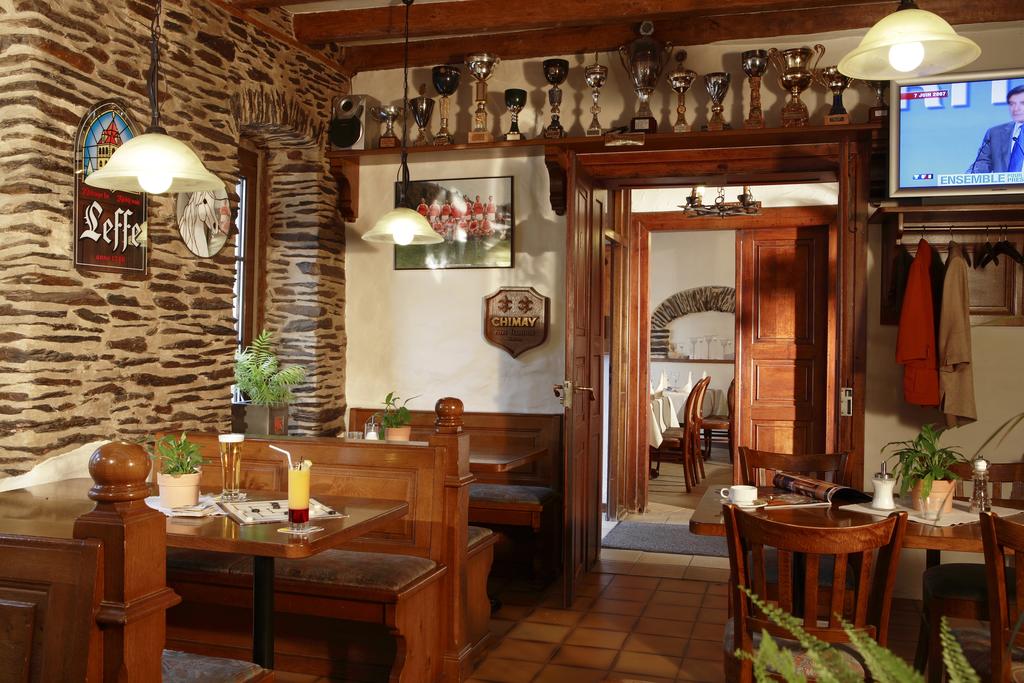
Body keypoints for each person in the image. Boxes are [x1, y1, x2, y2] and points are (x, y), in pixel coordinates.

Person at [967, 84, 1024, 173]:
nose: (1016, 109)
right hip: (1003, 183)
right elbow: (981, 165)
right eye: (1012, 104)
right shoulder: (995, 133)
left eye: (1022, 103)